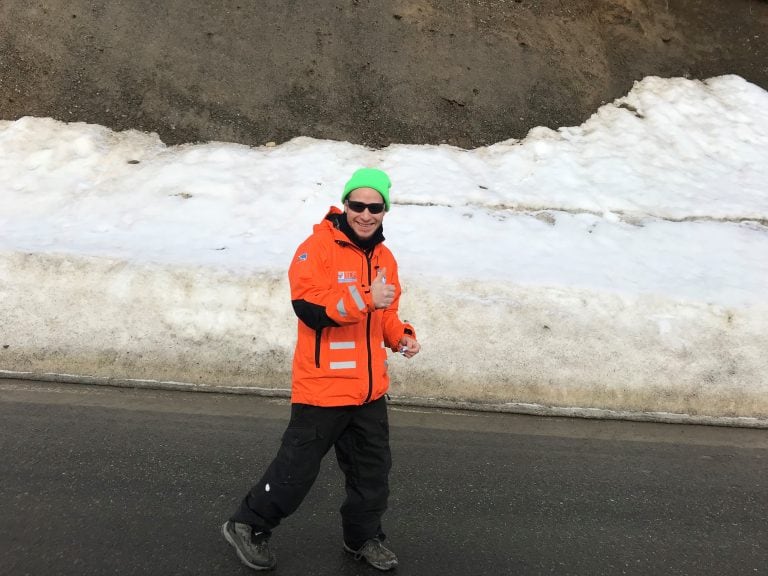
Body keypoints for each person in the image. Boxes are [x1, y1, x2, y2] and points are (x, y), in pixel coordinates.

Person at [222, 167, 421, 572]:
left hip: (368, 392)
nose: (365, 214)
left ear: (386, 210)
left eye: (375, 207)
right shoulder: (316, 248)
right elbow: (310, 308)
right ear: (345, 204)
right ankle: (248, 525)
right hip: (323, 389)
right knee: (295, 473)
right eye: (358, 204)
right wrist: (367, 296)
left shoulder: (385, 257)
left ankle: (361, 537)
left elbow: (385, 313)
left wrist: (400, 335)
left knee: (372, 476)